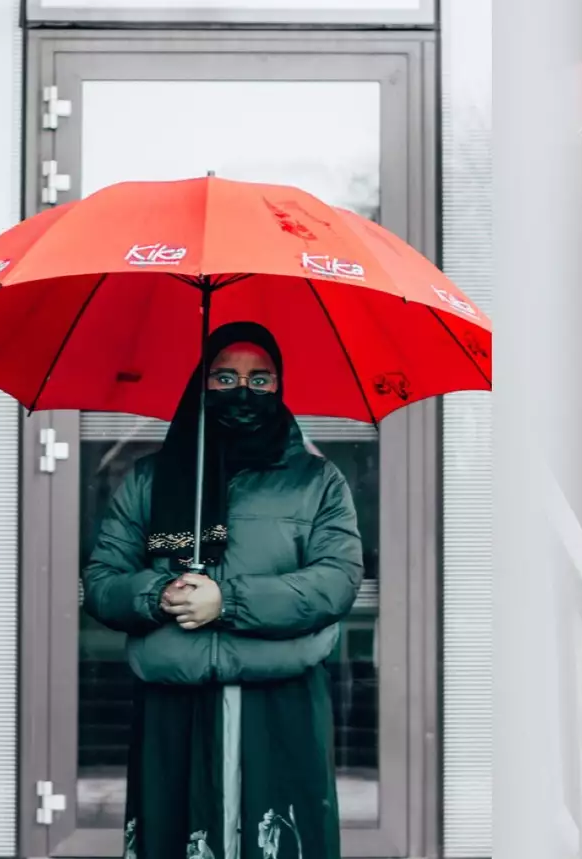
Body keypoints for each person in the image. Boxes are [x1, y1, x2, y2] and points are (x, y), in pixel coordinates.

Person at [83, 322, 363, 859]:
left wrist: (226, 601)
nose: (243, 391)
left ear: (281, 387)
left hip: (279, 701)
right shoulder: (151, 480)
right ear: (201, 384)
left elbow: (336, 582)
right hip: (176, 701)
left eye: (261, 380)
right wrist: (159, 593)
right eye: (225, 377)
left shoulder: (317, 482)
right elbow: (102, 583)